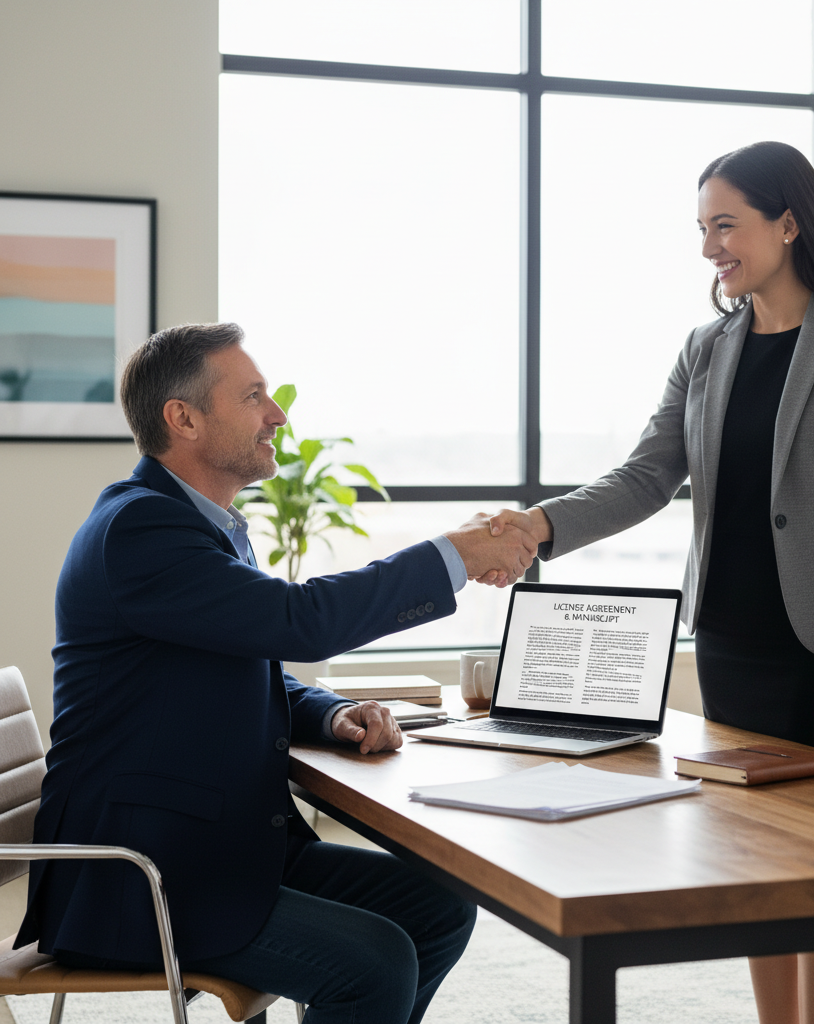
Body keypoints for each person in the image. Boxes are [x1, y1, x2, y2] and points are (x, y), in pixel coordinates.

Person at [485, 141, 814, 1024]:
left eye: (725, 225)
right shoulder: (706, 347)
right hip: (729, 643)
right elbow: (647, 476)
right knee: (757, 866)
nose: (709, 248)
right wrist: (539, 526)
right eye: (701, 228)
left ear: (788, 223)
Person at [15, 322, 538, 1024]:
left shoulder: (201, 526)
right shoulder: (141, 531)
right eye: (254, 395)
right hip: (141, 872)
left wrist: (328, 713)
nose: (278, 414)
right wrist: (454, 555)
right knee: (374, 962)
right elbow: (302, 621)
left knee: (437, 907)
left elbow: (249, 664)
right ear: (185, 418)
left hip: (214, 845)